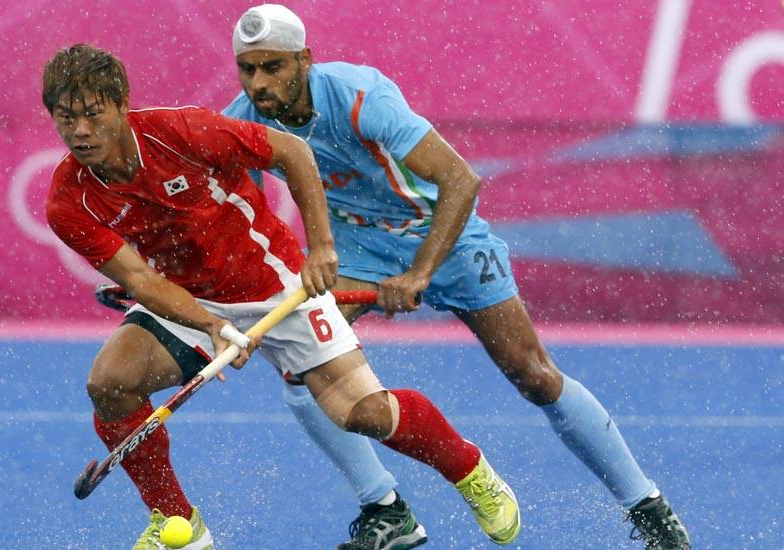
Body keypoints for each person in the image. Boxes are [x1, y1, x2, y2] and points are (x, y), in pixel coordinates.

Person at [222, 5, 691, 550]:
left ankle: (647, 507)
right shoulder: (240, 122)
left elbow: (460, 181)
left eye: (273, 67)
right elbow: (239, 220)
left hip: (447, 237)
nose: (260, 83)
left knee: (534, 375)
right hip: (358, 253)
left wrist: (420, 271)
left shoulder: (359, 97)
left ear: (305, 59)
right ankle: (385, 509)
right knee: (301, 367)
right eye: (248, 69)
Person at [42, 44, 521, 550]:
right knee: (111, 383)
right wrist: (208, 323)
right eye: (66, 118)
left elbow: (293, 152)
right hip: (187, 298)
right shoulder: (67, 199)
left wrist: (320, 249)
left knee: (363, 413)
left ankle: (469, 470)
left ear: (121, 105)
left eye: (93, 115)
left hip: (277, 288)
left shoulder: (182, 132)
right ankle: (178, 525)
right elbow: (140, 280)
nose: (80, 132)